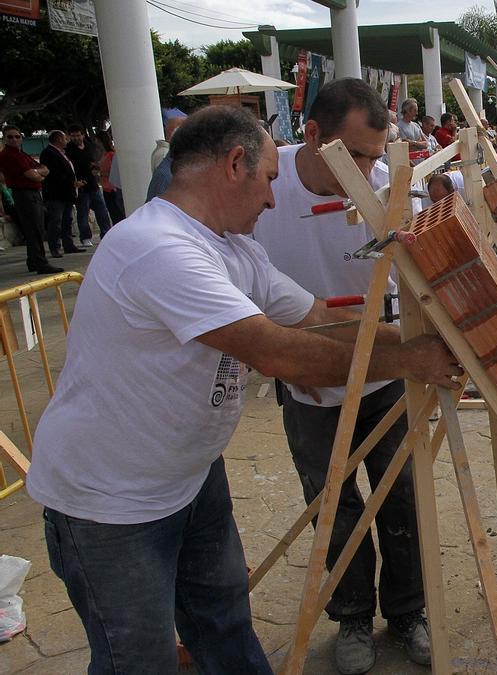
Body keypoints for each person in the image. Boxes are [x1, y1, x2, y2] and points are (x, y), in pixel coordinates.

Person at [25, 104, 462, 674]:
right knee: (139, 660)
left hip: (190, 478)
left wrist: (418, 335)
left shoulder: (234, 248)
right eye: (268, 181)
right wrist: (408, 358)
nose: (274, 200)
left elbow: (315, 318)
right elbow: (279, 352)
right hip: (113, 503)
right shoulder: (161, 248)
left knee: (224, 626)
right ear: (235, 164)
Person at [250, 78, 433, 673]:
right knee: (332, 502)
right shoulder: (264, 186)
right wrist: (281, 356)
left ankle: (408, 613)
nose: (368, 171)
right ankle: (352, 616)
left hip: (385, 370)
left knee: (400, 495)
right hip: (304, 377)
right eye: (353, 156)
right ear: (312, 136)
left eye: (376, 157)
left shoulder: (388, 191)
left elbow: (425, 277)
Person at [1, 126, 59, 274]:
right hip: (24, 194)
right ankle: (40, 262)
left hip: (32, 192)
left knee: (37, 227)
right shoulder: (9, 155)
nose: (14, 139)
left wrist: (38, 173)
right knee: (34, 229)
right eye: (10, 137)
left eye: (17, 136)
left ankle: (33, 260)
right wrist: (39, 174)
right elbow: (32, 174)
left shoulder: (22, 154)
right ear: (4, 139)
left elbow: (42, 169)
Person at [39, 130, 84, 257]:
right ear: (58, 139)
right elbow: (53, 174)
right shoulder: (49, 153)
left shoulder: (62, 153)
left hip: (66, 194)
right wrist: (71, 183)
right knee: (56, 220)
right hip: (56, 194)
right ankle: (55, 246)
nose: (66, 141)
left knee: (67, 220)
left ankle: (68, 244)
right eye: (65, 138)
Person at [67, 124, 112, 245]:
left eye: (78, 135)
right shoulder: (69, 150)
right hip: (81, 186)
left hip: (93, 184)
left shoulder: (89, 146)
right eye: (73, 136)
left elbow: (95, 160)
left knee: (102, 211)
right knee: (83, 212)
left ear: (82, 135)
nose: (76, 138)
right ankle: (85, 237)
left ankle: (106, 233)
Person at [97, 131, 125, 225]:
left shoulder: (111, 155)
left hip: (112, 188)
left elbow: (113, 171)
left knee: (117, 214)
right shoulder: (106, 154)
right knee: (113, 214)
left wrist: (102, 173)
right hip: (106, 187)